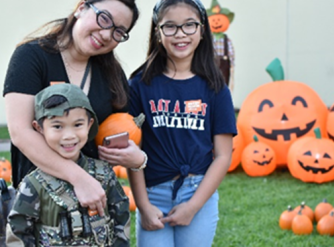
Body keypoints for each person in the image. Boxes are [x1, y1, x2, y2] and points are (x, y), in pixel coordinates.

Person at [3, 0, 145, 217]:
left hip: (94, 205)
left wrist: (137, 160)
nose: (107, 34)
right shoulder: (32, 56)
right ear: (81, 8)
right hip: (39, 202)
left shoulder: (112, 74)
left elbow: (122, 131)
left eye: (119, 31)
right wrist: (79, 178)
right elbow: (20, 132)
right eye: (104, 18)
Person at [127, 0, 237, 246]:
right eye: (170, 27)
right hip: (153, 194)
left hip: (197, 193)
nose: (180, 34)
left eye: (189, 25)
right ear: (158, 32)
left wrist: (193, 206)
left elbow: (222, 156)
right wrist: (143, 205)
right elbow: (133, 153)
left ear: (201, 31)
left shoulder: (215, 88)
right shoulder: (139, 85)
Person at [6, 83, 131, 246]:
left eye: (77, 124)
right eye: (57, 126)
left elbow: (121, 220)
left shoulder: (105, 174)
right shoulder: (33, 185)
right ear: (39, 128)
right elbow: (18, 233)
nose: (69, 135)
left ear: (89, 124)